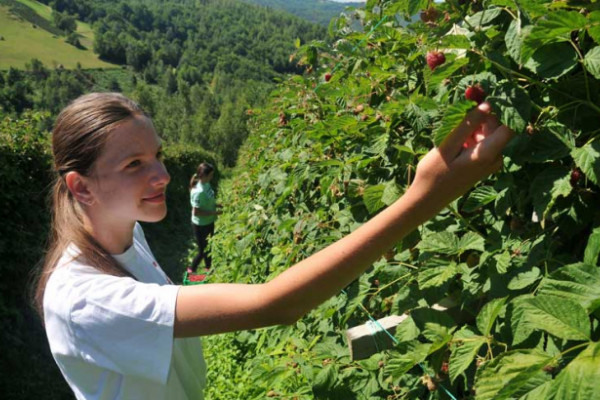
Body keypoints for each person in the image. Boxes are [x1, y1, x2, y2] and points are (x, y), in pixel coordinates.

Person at [34, 92, 512, 400]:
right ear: (82, 186)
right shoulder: (81, 299)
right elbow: (274, 304)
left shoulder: (126, 233)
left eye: (157, 155)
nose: (162, 174)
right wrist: (423, 198)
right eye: (134, 164)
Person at [188, 163, 221, 274]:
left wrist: (216, 205)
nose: (212, 177)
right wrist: (214, 212)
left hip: (209, 221)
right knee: (203, 251)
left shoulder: (206, 184)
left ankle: (208, 269)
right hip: (200, 225)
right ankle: (191, 269)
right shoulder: (198, 191)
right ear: (203, 176)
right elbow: (196, 212)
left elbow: (208, 200)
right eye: (210, 175)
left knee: (209, 247)